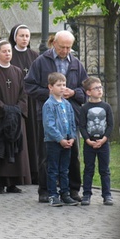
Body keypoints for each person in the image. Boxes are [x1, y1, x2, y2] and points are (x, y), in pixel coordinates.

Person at [24, 30, 88, 203]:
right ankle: (45, 190)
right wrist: (53, 94)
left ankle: (73, 190)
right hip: (48, 115)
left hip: (70, 115)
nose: (66, 50)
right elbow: (29, 86)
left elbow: (85, 91)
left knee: (73, 154)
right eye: (62, 47)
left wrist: (73, 92)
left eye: (69, 47)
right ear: (54, 44)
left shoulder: (76, 63)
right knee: (47, 154)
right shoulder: (41, 62)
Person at [0, 40, 31, 193]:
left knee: (16, 149)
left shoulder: (17, 71)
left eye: (9, 51)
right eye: (4, 51)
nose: (7, 54)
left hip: (16, 118)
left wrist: (16, 110)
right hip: (0, 119)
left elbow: (24, 94)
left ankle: (13, 183)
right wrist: (5, 110)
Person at [8, 24, 40, 184]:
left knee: (33, 135)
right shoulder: (8, 54)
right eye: (21, 36)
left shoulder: (35, 55)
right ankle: (19, 173)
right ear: (15, 37)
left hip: (32, 102)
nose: (25, 39)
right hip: (15, 101)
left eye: (27, 36)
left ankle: (34, 171)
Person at [42, 72, 79, 207]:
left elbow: (71, 122)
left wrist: (71, 138)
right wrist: (60, 139)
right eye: (59, 85)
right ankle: (53, 195)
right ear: (50, 87)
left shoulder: (67, 104)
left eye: (64, 84)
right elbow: (49, 125)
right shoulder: (49, 105)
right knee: (53, 169)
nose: (62, 87)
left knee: (65, 169)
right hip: (54, 142)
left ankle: (65, 193)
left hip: (67, 142)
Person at [80, 77, 114, 206]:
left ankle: (107, 195)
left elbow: (110, 125)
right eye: (96, 88)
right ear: (88, 92)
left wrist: (104, 139)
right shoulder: (85, 108)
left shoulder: (106, 107)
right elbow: (82, 126)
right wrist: (88, 140)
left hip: (103, 144)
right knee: (88, 169)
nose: (100, 90)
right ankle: (86, 194)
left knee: (104, 170)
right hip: (89, 144)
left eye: (100, 87)